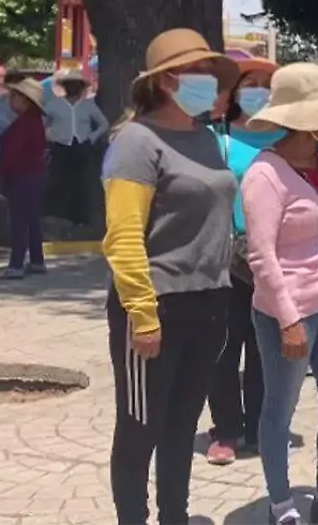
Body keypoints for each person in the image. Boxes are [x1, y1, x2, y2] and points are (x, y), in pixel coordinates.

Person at [101, 28, 238, 525]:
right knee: (140, 428)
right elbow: (123, 236)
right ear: (165, 81)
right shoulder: (136, 141)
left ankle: (173, 516)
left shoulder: (205, 138)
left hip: (210, 303)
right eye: (196, 72)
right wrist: (142, 313)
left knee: (182, 427)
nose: (206, 81)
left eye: (209, 72)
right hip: (157, 306)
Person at [242, 63, 318, 525]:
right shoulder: (265, 175)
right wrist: (289, 320)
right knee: (280, 409)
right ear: (306, 121)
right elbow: (261, 255)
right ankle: (280, 501)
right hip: (285, 314)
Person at [203, 56, 281, 466]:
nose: (256, 91)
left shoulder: (292, 138)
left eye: (265, 83)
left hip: (278, 259)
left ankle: (260, 428)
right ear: (233, 93)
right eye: (248, 83)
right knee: (224, 346)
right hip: (223, 257)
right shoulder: (219, 137)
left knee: (266, 348)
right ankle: (227, 430)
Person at [0, 78, 49, 280]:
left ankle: (16, 264)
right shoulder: (32, 121)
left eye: (14, 96)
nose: (10, 100)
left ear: (24, 100)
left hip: (23, 175)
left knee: (20, 220)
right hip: (33, 174)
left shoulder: (26, 123)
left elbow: (13, 153)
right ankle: (36, 260)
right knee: (31, 218)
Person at [44, 67, 108, 227]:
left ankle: (79, 219)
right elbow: (43, 121)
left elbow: (103, 124)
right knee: (59, 181)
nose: (73, 87)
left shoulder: (88, 106)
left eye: (76, 84)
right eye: (70, 84)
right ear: (65, 86)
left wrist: (90, 139)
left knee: (81, 182)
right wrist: (50, 136)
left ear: (81, 87)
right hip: (61, 147)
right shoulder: (54, 104)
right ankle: (58, 216)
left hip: (81, 147)